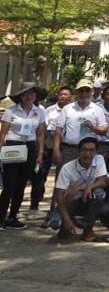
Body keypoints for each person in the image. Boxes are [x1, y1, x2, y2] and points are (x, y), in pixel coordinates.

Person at [0, 82, 46, 228]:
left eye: (32, 93)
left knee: (21, 185)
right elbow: (3, 134)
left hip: (30, 147)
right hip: (13, 146)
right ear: (20, 95)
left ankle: (13, 217)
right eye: (26, 93)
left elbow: (40, 134)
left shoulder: (38, 112)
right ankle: (1, 217)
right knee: (9, 185)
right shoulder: (11, 111)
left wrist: (40, 153)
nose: (29, 96)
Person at [54, 136, 108, 241]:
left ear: (96, 152)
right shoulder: (67, 168)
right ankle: (69, 222)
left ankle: (88, 230)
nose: (87, 154)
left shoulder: (99, 159)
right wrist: (66, 220)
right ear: (78, 152)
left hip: (89, 198)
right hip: (70, 201)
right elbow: (59, 197)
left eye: (91, 150)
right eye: (84, 150)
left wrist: (85, 188)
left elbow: (103, 181)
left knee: (99, 193)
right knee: (56, 225)